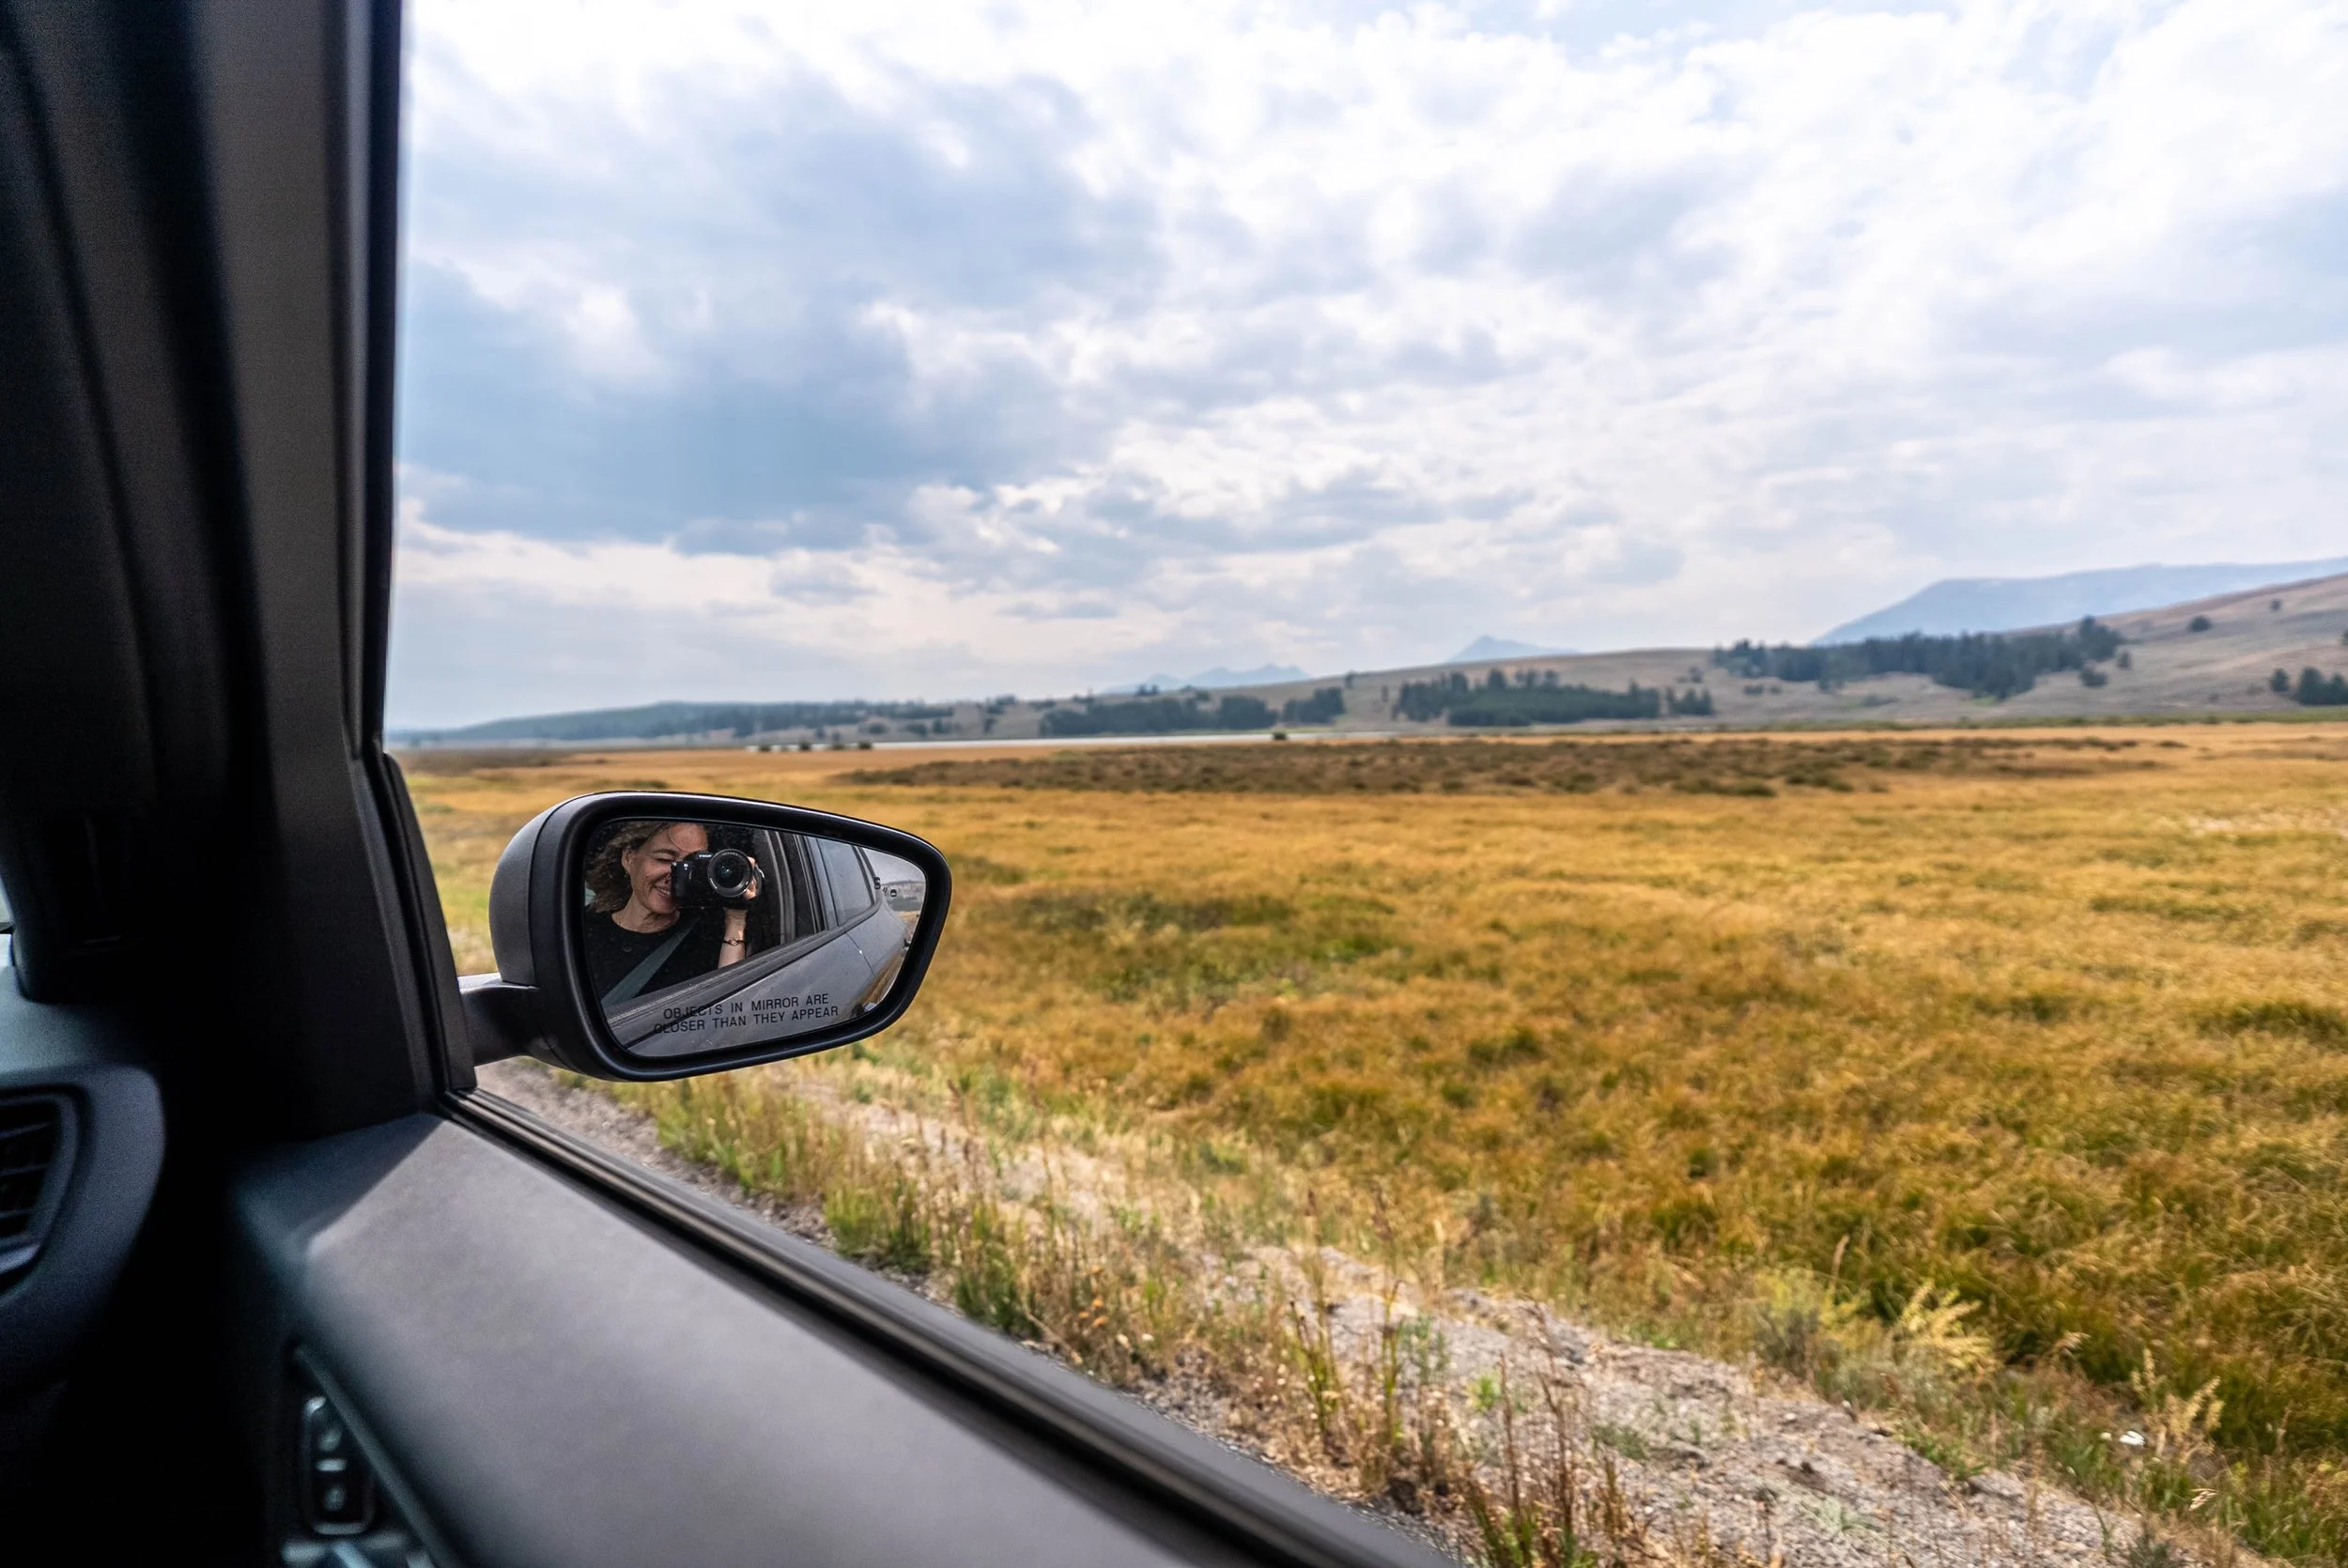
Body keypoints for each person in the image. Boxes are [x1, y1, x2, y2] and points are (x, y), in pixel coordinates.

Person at [581, 820, 760, 1007]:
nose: (676, 874)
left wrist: (736, 918)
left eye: (692, 864)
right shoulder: (582, 928)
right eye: (664, 860)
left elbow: (729, 1011)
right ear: (629, 858)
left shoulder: (707, 938)